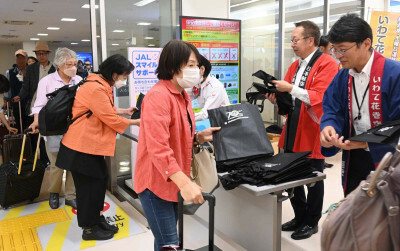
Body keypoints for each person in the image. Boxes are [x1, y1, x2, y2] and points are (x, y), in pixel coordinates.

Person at [133, 40, 220, 250]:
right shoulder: (157, 96)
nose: (196, 70)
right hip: (155, 185)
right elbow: (158, 148)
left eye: (196, 65)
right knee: (169, 242)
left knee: (164, 239)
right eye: (190, 65)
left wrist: (198, 137)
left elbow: (178, 134)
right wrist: (186, 184)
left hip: (172, 181)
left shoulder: (182, 95)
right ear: (172, 67)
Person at [265, 21, 338, 240]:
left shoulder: (328, 64)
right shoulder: (295, 66)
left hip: (312, 130)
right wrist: (276, 96)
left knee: (313, 178)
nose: (292, 44)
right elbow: (289, 100)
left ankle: (311, 221)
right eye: (292, 40)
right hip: (293, 127)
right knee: (289, 175)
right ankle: (299, 215)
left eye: (295, 40)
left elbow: (321, 96)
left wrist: (291, 89)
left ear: (310, 40)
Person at [55, 54, 140, 241]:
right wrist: (136, 121)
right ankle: (89, 229)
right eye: (124, 76)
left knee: (99, 181)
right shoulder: (95, 88)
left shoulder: (100, 84)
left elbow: (102, 109)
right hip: (81, 147)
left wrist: (124, 111)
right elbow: (108, 117)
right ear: (114, 74)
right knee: (88, 189)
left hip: (89, 146)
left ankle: (96, 218)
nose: (124, 80)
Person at [320, 14, 400, 196]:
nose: (338, 56)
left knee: (386, 212)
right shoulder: (342, 76)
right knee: (354, 206)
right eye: (334, 50)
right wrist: (329, 126)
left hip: (389, 157)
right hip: (353, 156)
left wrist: (366, 142)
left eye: (342, 50)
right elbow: (332, 107)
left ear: (365, 43)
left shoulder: (394, 74)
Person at [28, 47, 82, 210]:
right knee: (56, 164)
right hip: (53, 129)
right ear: (59, 65)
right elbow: (39, 105)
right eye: (69, 64)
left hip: (74, 128)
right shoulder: (47, 81)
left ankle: (71, 195)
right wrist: (36, 122)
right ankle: (54, 192)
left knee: (74, 162)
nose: (73, 67)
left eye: (74, 63)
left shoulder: (78, 80)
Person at [13, 42, 55, 165]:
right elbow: (26, 87)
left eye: (43, 53)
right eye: (38, 53)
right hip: (34, 105)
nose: (41, 56)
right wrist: (19, 96)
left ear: (48, 54)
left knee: (47, 133)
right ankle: (36, 160)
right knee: (35, 132)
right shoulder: (31, 68)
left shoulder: (55, 69)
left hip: (50, 106)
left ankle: (47, 159)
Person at [186, 55, 230, 121]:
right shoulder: (198, 82)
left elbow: (205, 114)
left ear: (202, 69)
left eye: (191, 67)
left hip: (222, 123)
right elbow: (185, 96)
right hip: (210, 121)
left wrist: (183, 119)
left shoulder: (215, 87)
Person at [5, 49, 28, 133]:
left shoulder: (31, 71)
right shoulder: (10, 72)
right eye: (18, 58)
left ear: (26, 59)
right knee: (18, 123)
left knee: (28, 124)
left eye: (22, 58)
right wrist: (6, 99)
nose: (20, 60)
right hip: (16, 103)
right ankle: (20, 142)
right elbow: (7, 88)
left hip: (29, 103)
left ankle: (29, 143)